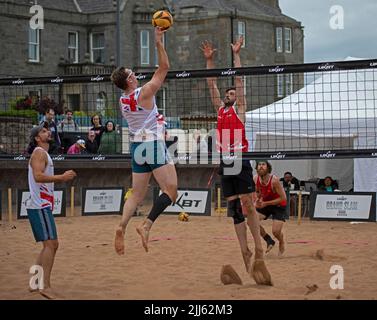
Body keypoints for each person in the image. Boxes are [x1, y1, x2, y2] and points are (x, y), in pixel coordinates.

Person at [201, 37, 272, 285]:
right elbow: (211, 84)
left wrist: (237, 55)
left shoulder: (239, 109)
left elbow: (240, 80)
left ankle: (259, 247)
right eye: (228, 93)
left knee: (248, 205)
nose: (231, 95)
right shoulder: (220, 110)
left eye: (233, 93)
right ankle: (246, 253)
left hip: (240, 159)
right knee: (233, 210)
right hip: (225, 162)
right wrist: (209, 61)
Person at [111, 27, 178, 255]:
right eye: (132, 74)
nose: (136, 75)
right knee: (171, 191)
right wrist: (158, 41)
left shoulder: (123, 100)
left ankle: (121, 226)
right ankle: (146, 225)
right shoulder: (144, 93)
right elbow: (164, 68)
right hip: (152, 144)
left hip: (137, 146)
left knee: (137, 194)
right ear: (129, 79)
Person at [26, 121, 76, 299]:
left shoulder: (42, 153)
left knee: (50, 245)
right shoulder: (39, 153)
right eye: (44, 131)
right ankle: (44, 286)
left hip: (41, 205)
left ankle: (34, 282)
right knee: (51, 245)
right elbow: (38, 176)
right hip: (39, 206)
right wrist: (62, 178)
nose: (48, 133)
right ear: (38, 138)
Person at [253, 160, 287, 256]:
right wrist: (258, 200)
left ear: (268, 168)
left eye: (263, 164)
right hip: (265, 203)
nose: (261, 166)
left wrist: (265, 203)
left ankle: (281, 241)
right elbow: (258, 192)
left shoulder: (274, 180)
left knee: (276, 232)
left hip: (279, 204)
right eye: (259, 164)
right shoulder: (255, 179)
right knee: (251, 222)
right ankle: (269, 240)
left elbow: (283, 198)